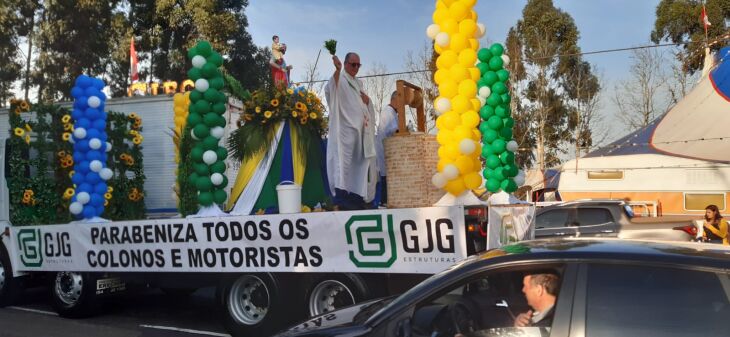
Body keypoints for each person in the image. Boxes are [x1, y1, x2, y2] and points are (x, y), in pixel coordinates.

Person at [325, 52, 377, 210]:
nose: (355, 68)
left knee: (359, 164)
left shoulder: (358, 83)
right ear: (346, 64)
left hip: (361, 132)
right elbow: (329, 89)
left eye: (358, 65)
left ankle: (356, 196)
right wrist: (337, 70)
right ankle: (341, 198)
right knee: (344, 163)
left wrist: (368, 102)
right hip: (345, 131)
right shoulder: (341, 78)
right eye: (353, 64)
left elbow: (361, 103)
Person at [375, 91, 399, 207]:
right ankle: (384, 201)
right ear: (395, 100)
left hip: (388, 150)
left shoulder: (392, 112)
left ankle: (387, 200)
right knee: (386, 176)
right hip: (386, 150)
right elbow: (395, 131)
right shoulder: (388, 112)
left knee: (387, 175)